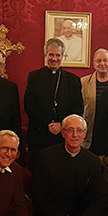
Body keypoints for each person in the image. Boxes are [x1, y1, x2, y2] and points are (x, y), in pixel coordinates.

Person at [24, 38, 83, 169]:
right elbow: (29, 105)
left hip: (63, 137)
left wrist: (62, 124)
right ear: (45, 55)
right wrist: (48, 124)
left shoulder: (73, 80)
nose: (54, 58)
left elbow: (78, 108)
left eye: (58, 55)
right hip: (39, 135)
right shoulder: (34, 77)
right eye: (51, 54)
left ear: (63, 56)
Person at [80, 48, 108, 149]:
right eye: (98, 61)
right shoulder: (83, 82)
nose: (102, 63)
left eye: (106, 60)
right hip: (91, 130)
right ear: (94, 64)